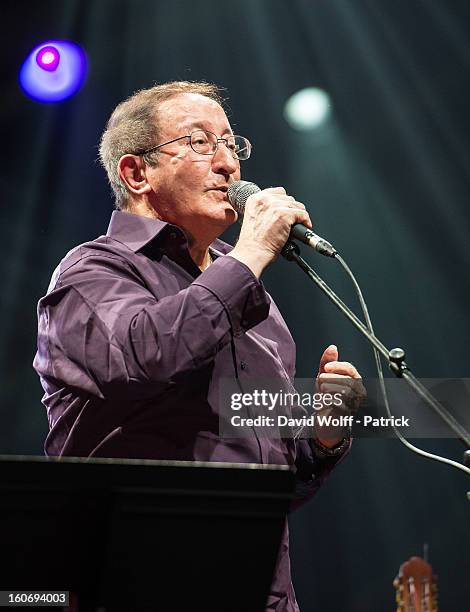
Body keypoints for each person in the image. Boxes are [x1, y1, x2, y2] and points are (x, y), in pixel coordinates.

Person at [33, 81, 363, 611]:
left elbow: (268, 481)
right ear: (137, 173)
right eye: (200, 142)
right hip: (133, 587)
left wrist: (321, 438)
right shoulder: (90, 272)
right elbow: (144, 356)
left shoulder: (260, 310)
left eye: (232, 144)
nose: (228, 163)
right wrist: (249, 255)